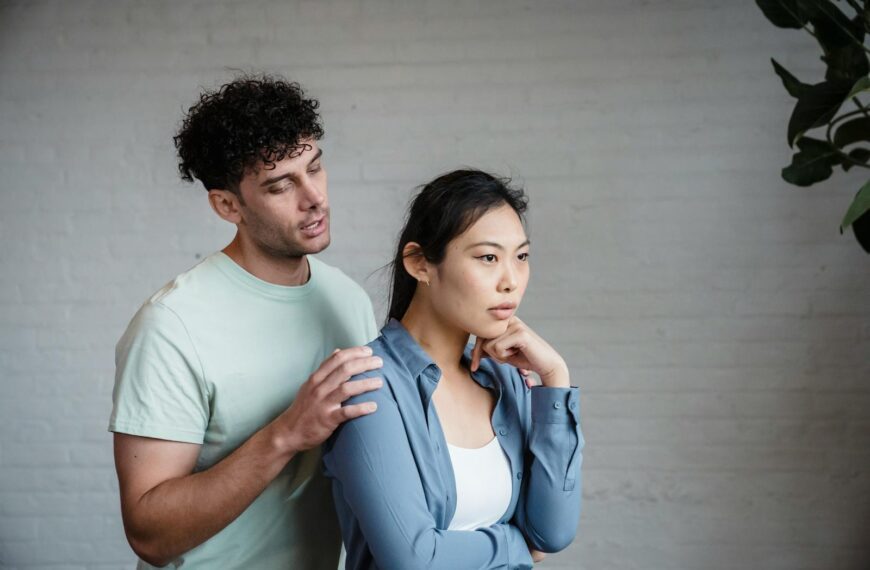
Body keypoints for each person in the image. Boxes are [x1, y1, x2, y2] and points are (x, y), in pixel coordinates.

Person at [108, 75, 384, 569]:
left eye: (315, 169)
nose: (314, 197)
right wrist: (286, 433)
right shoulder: (171, 326)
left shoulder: (347, 299)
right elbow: (149, 534)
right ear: (227, 205)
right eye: (281, 186)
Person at [322, 169, 584, 569]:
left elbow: (553, 532)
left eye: (522, 257)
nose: (511, 281)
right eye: (488, 258)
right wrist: (514, 546)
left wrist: (555, 378)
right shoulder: (369, 385)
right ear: (420, 263)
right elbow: (413, 559)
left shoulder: (505, 380)